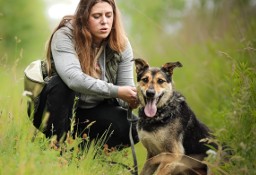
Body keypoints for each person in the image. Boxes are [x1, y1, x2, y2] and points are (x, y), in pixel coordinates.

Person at [29, 0, 139, 149]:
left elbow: (125, 94)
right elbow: (73, 79)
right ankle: (56, 146)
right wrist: (117, 91)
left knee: (133, 127)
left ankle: (82, 154)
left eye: (108, 15)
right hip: (54, 109)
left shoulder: (121, 44)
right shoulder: (64, 35)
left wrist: (136, 98)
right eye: (96, 16)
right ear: (83, 17)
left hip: (93, 111)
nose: (104, 22)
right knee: (60, 85)